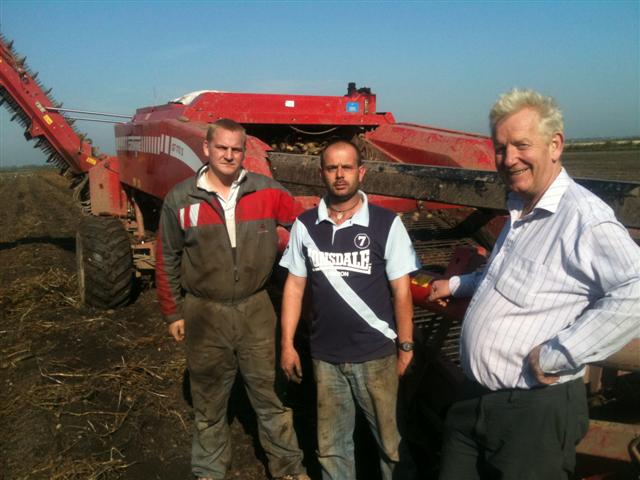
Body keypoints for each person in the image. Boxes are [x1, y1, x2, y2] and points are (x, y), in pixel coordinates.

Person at [429, 89, 640, 479]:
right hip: (475, 399)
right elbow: (503, 278)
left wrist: (559, 354)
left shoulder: (584, 218)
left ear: (555, 145)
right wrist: (458, 284)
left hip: (532, 414)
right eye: (500, 147)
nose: (509, 159)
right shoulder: (520, 210)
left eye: (521, 145)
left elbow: (636, 290)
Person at [156, 118, 309, 480]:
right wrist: (172, 312)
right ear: (206, 149)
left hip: (257, 308)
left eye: (236, 149)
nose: (228, 155)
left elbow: (305, 225)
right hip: (204, 312)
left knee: (271, 396)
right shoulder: (181, 199)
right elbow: (166, 259)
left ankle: (288, 469)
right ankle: (209, 470)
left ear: (244, 152)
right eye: (221, 148)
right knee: (208, 402)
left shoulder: (267, 191)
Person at [279, 139, 421, 480]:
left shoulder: (387, 224)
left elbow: (402, 292)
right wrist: (287, 344)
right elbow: (294, 287)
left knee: (392, 446)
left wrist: (405, 346)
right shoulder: (305, 225)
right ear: (321, 174)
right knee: (331, 448)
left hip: (376, 356)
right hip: (325, 358)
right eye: (332, 168)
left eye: (346, 168)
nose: (339, 175)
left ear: (361, 172)